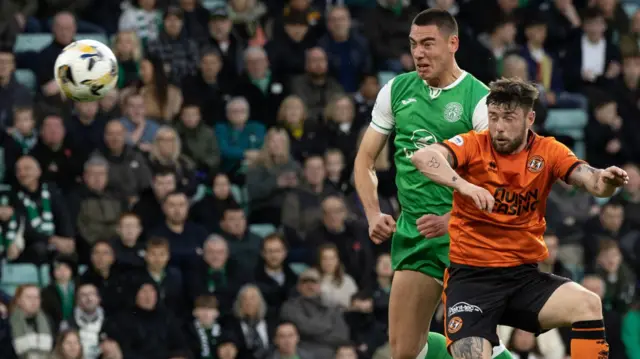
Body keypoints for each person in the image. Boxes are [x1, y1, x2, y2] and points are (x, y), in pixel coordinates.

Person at [410, 77, 627, 359]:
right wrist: (464, 186)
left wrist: (607, 180)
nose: (498, 126)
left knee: (588, 304)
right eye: (494, 117)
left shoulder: (549, 151)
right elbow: (423, 157)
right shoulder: (473, 145)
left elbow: (594, 182)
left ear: (529, 118)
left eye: (509, 118)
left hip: (523, 277)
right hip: (472, 281)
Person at [353, 8, 510, 359]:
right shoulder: (396, 90)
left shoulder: (480, 99)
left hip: (465, 235)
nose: (419, 53)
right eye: (413, 45)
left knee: (471, 348)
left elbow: (499, 181)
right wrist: (373, 213)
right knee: (405, 351)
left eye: (428, 44)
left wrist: (452, 219)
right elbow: (364, 160)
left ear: (453, 43)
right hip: (415, 233)